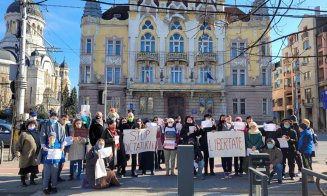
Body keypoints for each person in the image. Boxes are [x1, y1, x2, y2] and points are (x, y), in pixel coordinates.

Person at [40, 112, 66, 182]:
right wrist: (43, 146)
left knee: (58, 163)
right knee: (47, 163)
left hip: (58, 146)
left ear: (57, 118)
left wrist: (63, 145)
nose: (54, 119)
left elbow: (63, 137)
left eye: (55, 118)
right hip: (48, 145)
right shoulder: (45, 125)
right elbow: (42, 136)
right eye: (52, 118)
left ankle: (56, 177)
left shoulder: (60, 126)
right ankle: (45, 179)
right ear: (50, 118)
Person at [15, 120, 41, 186]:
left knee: (34, 169)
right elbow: (18, 144)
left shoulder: (37, 133)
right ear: (27, 126)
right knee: (24, 169)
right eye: (30, 125)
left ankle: (32, 181)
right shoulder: (24, 134)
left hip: (34, 155)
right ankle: (23, 182)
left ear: (35, 126)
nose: (32, 126)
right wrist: (17, 152)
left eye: (33, 125)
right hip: (26, 156)